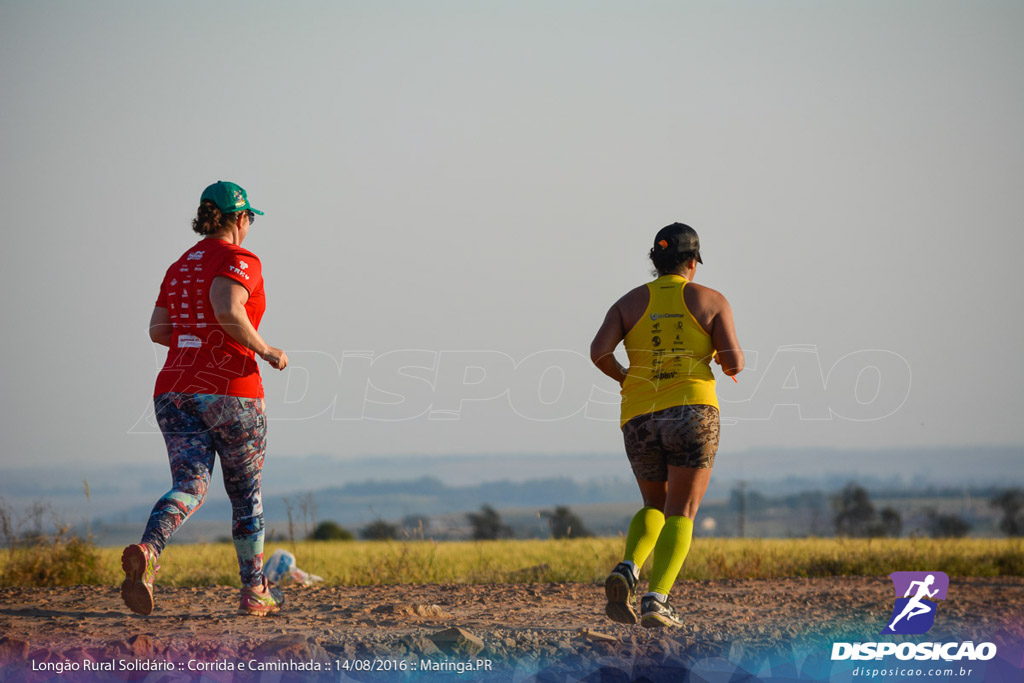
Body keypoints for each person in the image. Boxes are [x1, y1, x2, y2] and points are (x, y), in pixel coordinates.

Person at [120, 181, 289, 617]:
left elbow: (158, 330)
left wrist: (195, 341)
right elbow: (228, 308)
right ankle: (255, 591)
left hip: (174, 390)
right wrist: (267, 351)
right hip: (232, 391)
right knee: (245, 495)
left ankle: (150, 549)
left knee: (190, 486)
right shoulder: (240, 259)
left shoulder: (179, 266)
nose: (250, 225)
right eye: (250, 217)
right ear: (239, 218)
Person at [590, 222, 743, 628]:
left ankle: (628, 566)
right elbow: (734, 362)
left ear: (655, 262)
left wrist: (627, 377)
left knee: (653, 505)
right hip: (692, 412)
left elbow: (599, 352)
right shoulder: (711, 300)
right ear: (692, 262)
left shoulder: (627, 302)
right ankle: (657, 600)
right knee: (683, 510)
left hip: (638, 415)